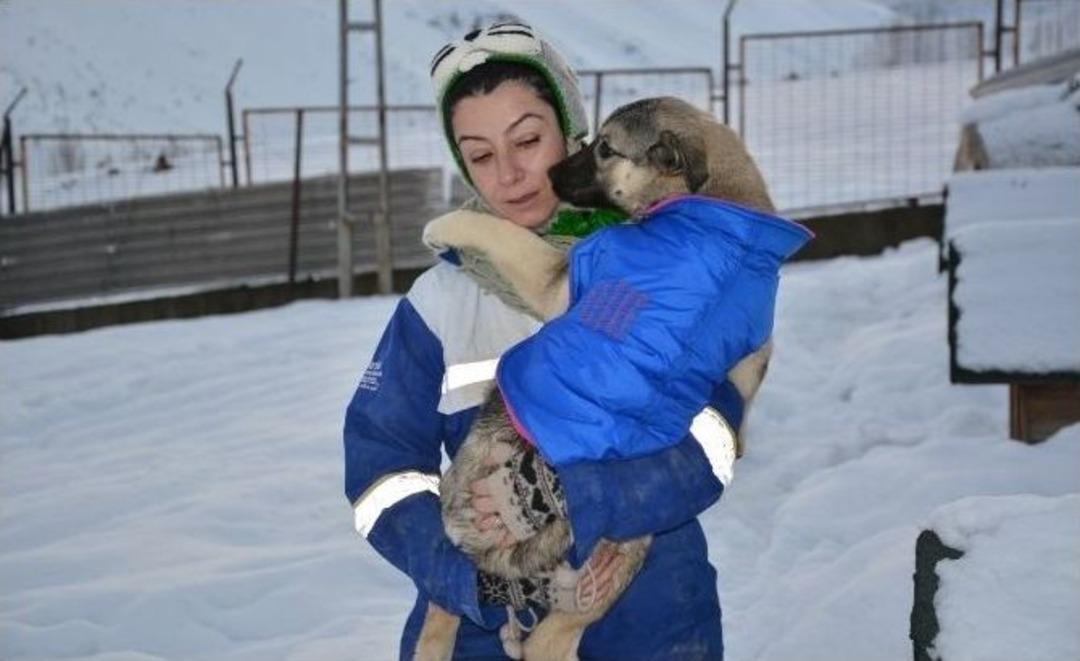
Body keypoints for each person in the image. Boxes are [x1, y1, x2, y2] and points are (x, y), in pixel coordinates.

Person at [344, 22, 739, 659]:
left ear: (573, 130)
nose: (509, 173)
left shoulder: (662, 269)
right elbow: (381, 468)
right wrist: (461, 577)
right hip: (484, 630)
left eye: (527, 139)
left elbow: (717, 434)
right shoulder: (440, 304)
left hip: (651, 621)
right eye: (480, 154)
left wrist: (590, 497)